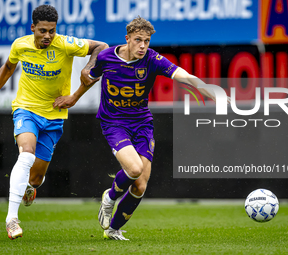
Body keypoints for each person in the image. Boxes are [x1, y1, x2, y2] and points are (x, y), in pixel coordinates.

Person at [53, 16, 227, 241]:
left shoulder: (153, 60)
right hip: (114, 122)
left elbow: (188, 78)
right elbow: (90, 80)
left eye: (147, 41)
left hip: (142, 123)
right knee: (134, 170)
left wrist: (216, 95)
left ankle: (113, 230)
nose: (143, 46)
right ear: (127, 39)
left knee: (140, 186)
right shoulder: (107, 57)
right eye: (138, 40)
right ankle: (110, 197)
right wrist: (74, 98)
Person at [0, 5, 108, 240]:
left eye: (52, 31)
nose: (47, 36)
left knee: (36, 178)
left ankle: (29, 187)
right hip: (26, 109)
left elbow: (102, 46)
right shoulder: (20, 45)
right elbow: (8, 67)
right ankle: (12, 219)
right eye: (42, 31)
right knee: (26, 155)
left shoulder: (66, 44)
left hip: (53, 116)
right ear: (33, 28)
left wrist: (90, 67)